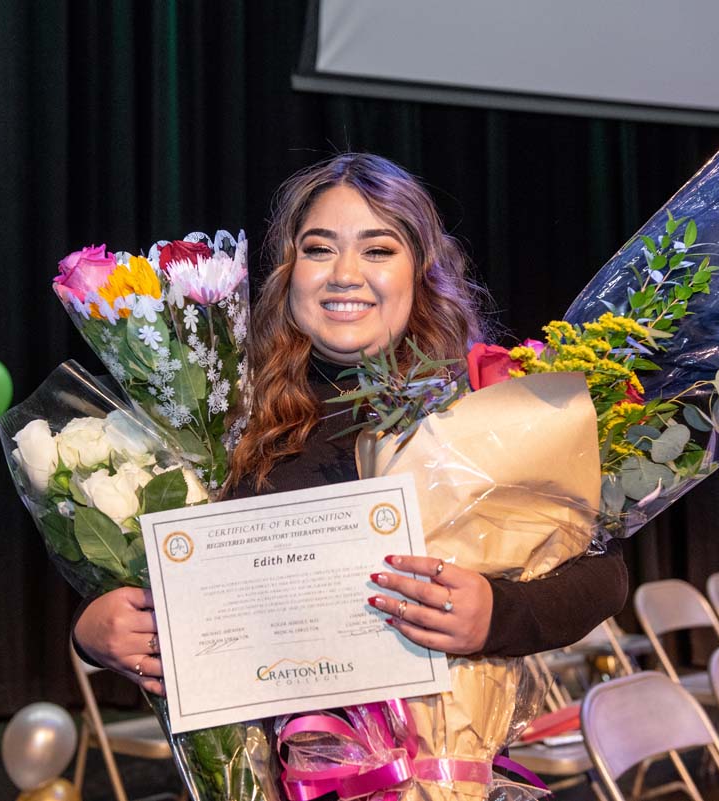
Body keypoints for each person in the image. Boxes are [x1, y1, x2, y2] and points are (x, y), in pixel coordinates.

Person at [73, 153, 628, 695]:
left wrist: (497, 616)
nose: (344, 275)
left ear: (422, 270)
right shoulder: (220, 409)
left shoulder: (478, 401)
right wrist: (92, 628)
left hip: (433, 762)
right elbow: (149, 567)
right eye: (319, 249)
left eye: (378, 250)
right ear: (291, 272)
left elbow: (603, 573)